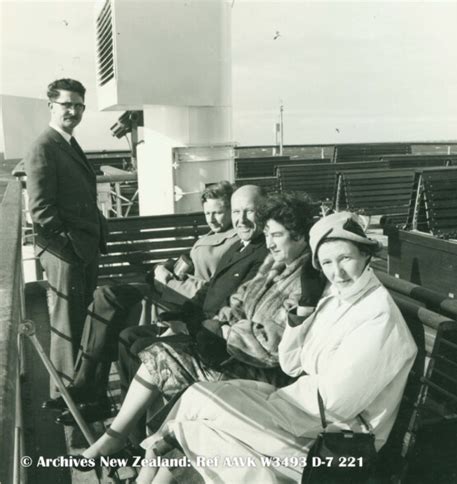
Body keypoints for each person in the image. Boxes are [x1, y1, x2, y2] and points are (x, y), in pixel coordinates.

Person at [136, 211, 418, 484]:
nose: (337, 272)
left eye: (345, 258)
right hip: (305, 412)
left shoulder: (379, 316)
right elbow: (292, 363)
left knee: (198, 424)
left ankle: (144, 473)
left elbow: (335, 405)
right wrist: (300, 316)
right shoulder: (337, 296)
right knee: (198, 397)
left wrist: (271, 408)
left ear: (366, 255)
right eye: (327, 262)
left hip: (338, 443)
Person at [74, 192, 322, 462]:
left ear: (298, 236)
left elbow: (271, 346)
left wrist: (221, 330)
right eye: (269, 235)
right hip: (233, 351)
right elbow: (239, 300)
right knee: (155, 351)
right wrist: (216, 323)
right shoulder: (276, 264)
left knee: (160, 353)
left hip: (260, 371)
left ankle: (128, 441)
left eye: (277, 236)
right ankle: (120, 439)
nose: (270, 244)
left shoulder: (304, 282)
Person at [49, 184, 267, 424]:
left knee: (111, 304)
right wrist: (164, 268)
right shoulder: (214, 238)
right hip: (165, 288)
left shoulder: (237, 242)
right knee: (105, 297)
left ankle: (91, 389)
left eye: (219, 212)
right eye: (207, 213)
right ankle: (90, 387)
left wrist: (167, 281)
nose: (212, 219)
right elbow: (191, 263)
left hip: (176, 296)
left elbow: (214, 290)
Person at [24, 79, 107, 397]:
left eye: (78, 105)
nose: (73, 110)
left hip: (81, 249)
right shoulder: (44, 147)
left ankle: (79, 388)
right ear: (51, 106)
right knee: (67, 325)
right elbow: (41, 210)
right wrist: (71, 247)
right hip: (65, 252)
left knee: (78, 319)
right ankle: (64, 395)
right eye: (66, 104)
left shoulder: (67, 143)